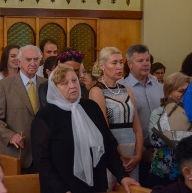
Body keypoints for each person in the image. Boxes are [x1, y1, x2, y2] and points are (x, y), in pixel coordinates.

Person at [31, 64, 140, 193]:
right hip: (62, 188)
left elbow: (108, 146)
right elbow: (42, 161)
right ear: (55, 89)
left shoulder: (91, 107)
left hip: (95, 186)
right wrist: (61, 190)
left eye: (74, 80)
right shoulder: (45, 117)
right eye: (64, 83)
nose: (72, 86)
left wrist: (122, 176)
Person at [89, 47, 143, 187]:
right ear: (102, 65)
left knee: (132, 188)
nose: (119, 67)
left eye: (120, 62)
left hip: (132, 149)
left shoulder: (127, 90)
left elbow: (136, 125)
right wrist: (118, 157)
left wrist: (138, 155)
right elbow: (104, 128)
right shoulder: (97, 91)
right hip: (111, 150)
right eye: (114, 63)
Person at [0, 45, 46, 173]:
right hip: (16, 154)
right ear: (19, 62)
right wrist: (10, 136)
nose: (33, 63)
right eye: (28, 59)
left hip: (43, 155)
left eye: (36, 59)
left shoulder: (47, 85)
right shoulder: (4, 86)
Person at [120, 44, 164, 187]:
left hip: (162, 152)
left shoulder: (160, 87)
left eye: (147, 60)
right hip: (137, 153)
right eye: (140, 61)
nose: (146, 64)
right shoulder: (122, 88)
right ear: (130, 64)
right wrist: (142, 151)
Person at [147, 72, 191, 188]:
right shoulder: (158, 113)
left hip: (186, 174)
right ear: (169, 92)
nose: (185, 95)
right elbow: (154, 139)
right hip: (164, 174)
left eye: (188, 91)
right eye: (181, 91)